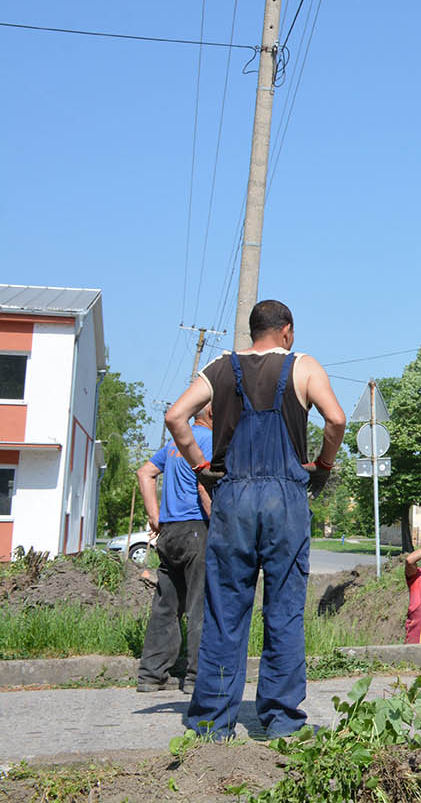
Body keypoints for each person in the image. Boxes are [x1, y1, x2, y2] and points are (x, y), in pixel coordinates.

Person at [165, 299, 346, 740]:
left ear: (252, 332)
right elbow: (336, 420)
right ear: (286, 331)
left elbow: (175, 416)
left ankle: (212, 720)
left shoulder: (221, 367)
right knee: (283, 610)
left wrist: (199, 465)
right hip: (286, 499)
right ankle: (281, 720)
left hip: (234, 496)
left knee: (226, 609)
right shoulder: (302, 366)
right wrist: (322, 465)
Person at [135, 406, 214, 694]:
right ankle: (195, 678)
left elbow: (145, 473)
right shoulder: (208, 441)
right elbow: (205, 486)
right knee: (199, 606)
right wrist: (219, 523)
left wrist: (155, 516)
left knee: (166, 606)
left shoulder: (174, 444)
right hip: (197, 529)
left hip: (169, 532)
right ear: (210, 411)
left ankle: (151, 676)